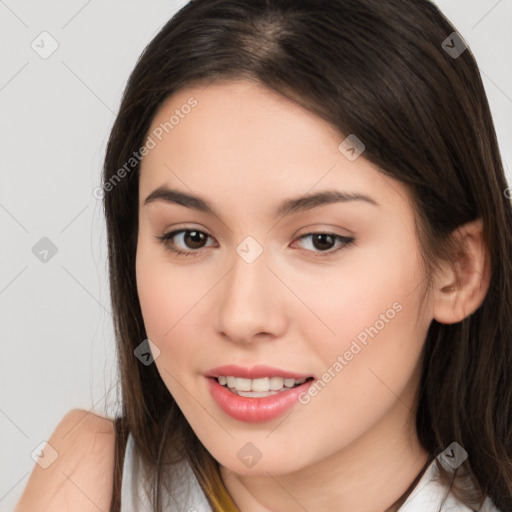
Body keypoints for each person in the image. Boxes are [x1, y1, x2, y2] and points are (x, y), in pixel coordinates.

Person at [16, 0, 512, 510]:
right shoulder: (89, 482)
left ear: (458, 272)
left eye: (322, 240)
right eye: (191, 238)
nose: (242, 317)